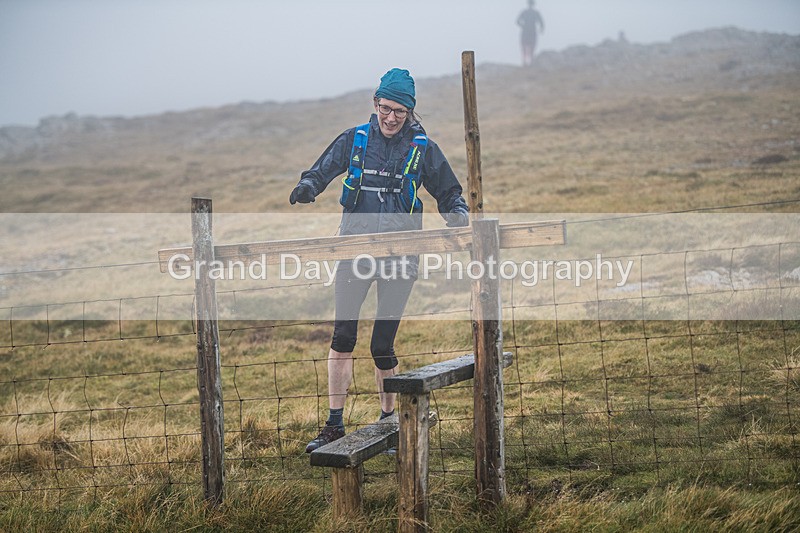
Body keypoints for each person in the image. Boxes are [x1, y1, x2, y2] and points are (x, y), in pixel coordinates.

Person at [289, 68, 469, 452]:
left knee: (382, 345)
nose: (390, 118)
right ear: (375, 103)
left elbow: (449, 192)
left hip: (401, 258)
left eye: (399, 112)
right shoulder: (355, 140)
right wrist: (307, 187)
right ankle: (333, 426)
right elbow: (321, 170)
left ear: (410, 113)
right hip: (352, 253)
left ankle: (389, 424)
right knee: (343, 337)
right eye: (385, 108)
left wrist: (458, 214)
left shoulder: (422, 149)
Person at [517, 0, 545, 67]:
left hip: (526, 31)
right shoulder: (535, 13)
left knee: (525, 46)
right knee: (531, 46)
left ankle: (526, 62)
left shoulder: (525, 12)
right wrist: (541, 29)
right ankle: (528, 61)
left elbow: (517, 21)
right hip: (532, 31)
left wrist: (523, 26)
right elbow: (542, 23)